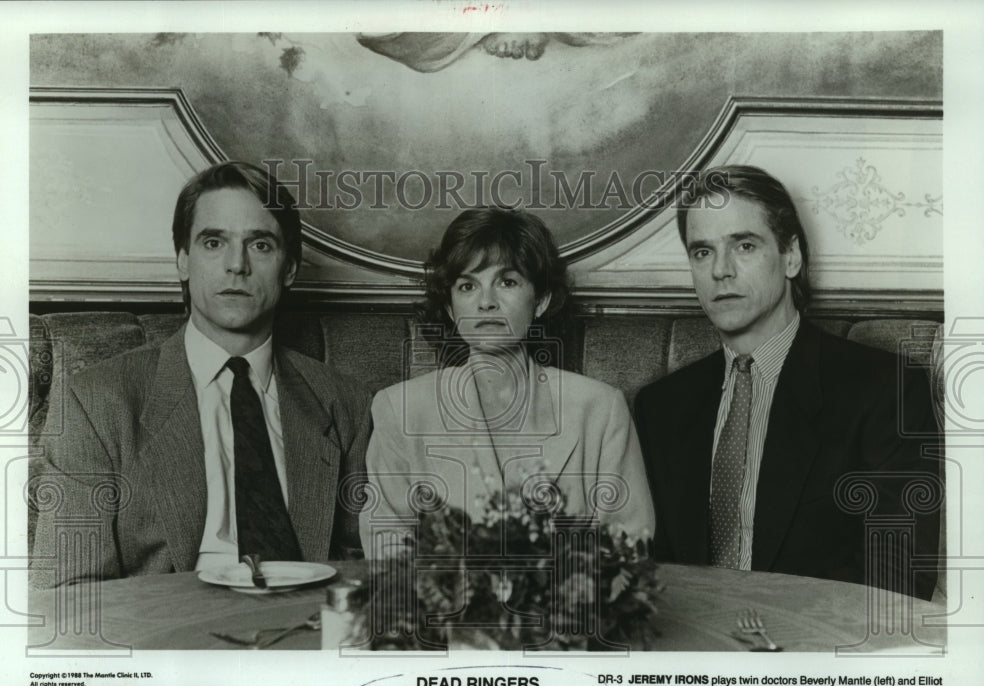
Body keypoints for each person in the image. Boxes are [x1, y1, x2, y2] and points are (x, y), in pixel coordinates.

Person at [30, 161, 371, 588]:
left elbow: (367, 572)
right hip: (167, 641)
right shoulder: (97, 401)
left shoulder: (346, 404)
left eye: (260, 245)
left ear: (289, 269)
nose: (236, 265)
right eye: (214, 242)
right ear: (183, 261)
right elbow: (68, 592)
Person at [633, 165, 941, 599]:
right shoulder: (660, 406)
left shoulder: (885, 389)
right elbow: (644, 568)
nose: (721, 270)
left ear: (791, 255)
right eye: (702, 252)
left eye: (744, 245)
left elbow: (899, 578)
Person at [360, 207, 654, 556]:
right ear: (452, 309)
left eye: (507, 282)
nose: (486, 302)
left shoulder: (601, 409)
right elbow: (388, 546)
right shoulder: (400, 409)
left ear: (541, 300)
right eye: (467, 285)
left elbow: (628, 549)